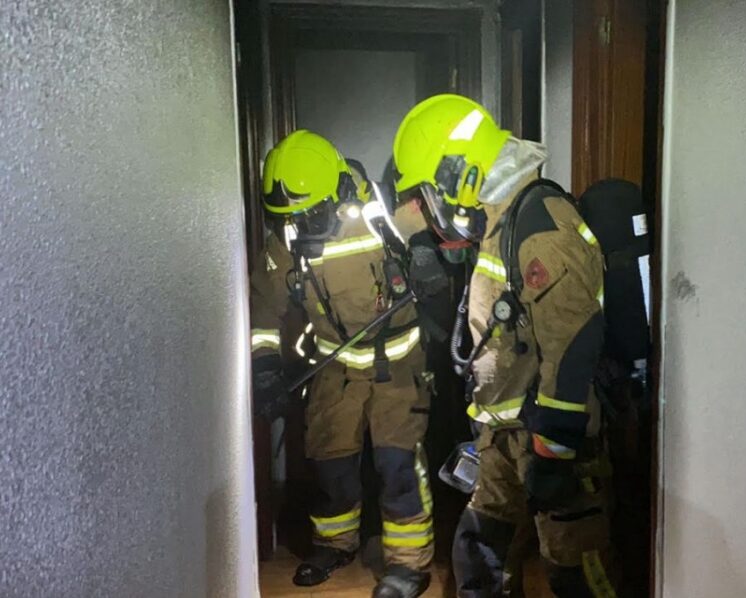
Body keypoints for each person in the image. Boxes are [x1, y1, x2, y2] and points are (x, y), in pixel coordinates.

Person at [391, 95, 618, 597]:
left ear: (457, 173)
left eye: (432, 191)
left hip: (550, 437)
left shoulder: (541, 226)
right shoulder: (500, 217)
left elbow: (573, 340)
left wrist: (554, 450)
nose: (432, 205)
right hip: (504, 437)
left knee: (576, 571)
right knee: (478, 554)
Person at [250, 130, 438, 597]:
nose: (298, 223)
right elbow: (264, 304)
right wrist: (265, 365)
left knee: (398, 465)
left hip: (397, 364)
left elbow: (445, 229)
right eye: (289, 216)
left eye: (307, 212)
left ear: (335, 191)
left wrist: (427, 255)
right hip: (335, 367)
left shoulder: (382, 211)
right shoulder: (289, 234)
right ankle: (335, 544)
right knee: (331, 462)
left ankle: (408, 565)